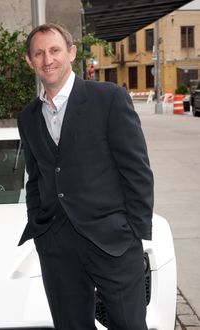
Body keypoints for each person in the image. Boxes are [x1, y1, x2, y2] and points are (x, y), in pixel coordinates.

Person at [17, 23, 154, 330]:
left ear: (71, 53)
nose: (47, 59)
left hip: (113, 242)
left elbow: (137, 171)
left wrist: (135, 231)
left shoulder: (109, 99)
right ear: (30, 61)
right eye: (38, 53)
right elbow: (36, 176)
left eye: (54, 50)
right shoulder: (27, 117)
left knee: (129, 325)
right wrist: (41, 232)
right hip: (57, 245)